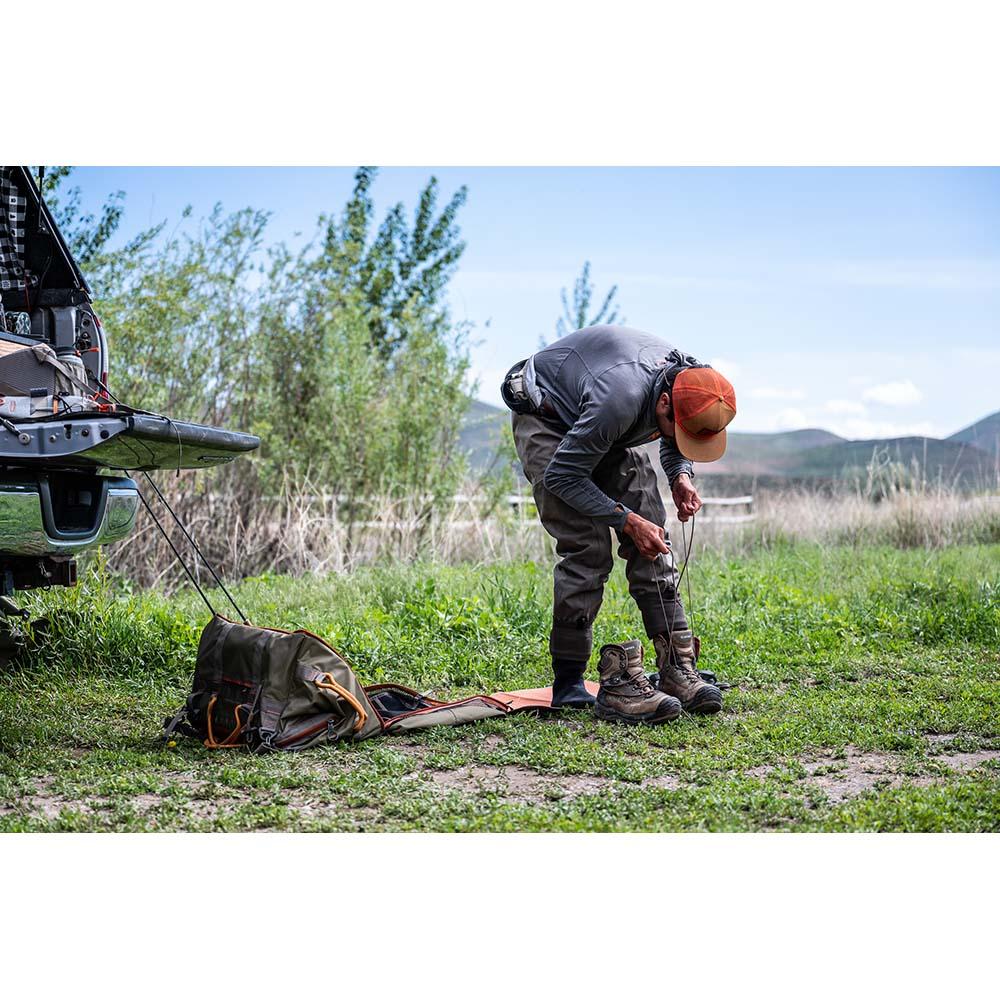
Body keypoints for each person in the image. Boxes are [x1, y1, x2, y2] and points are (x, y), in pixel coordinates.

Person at [501, 325, 737, 724]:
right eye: (675, 428)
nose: (679, 437)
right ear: (663, 404)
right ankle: (570, 681)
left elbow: (679, 434)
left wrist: (680, 474)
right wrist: (626, 521)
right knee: (587, 547)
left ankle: (677, 670)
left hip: (602, 426)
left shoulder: (696, 381)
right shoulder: (620, 397)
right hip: (548, 420)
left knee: (653, 535)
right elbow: (563, 477)